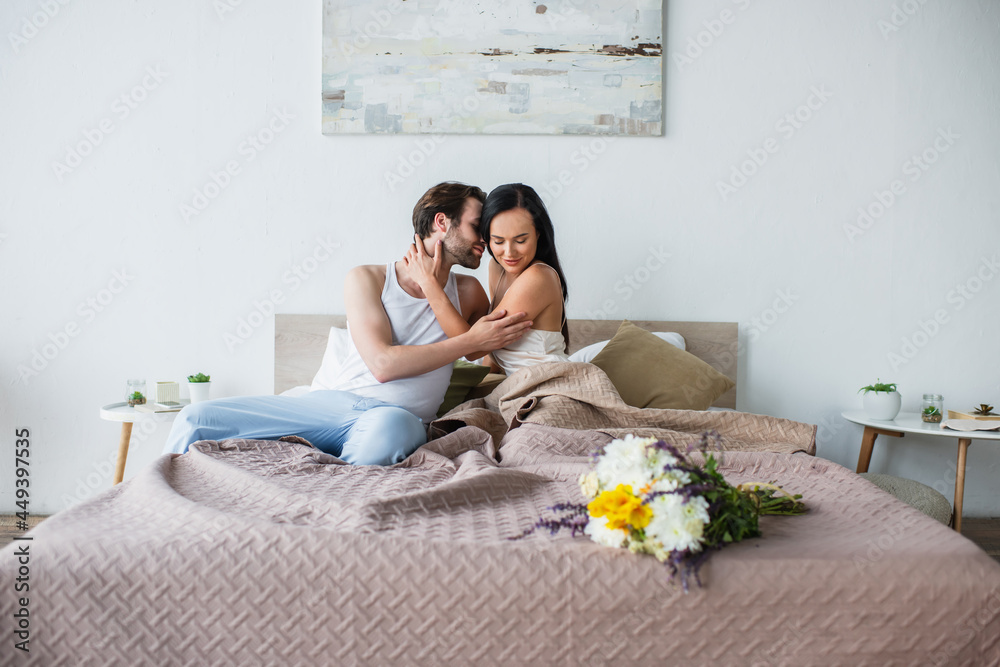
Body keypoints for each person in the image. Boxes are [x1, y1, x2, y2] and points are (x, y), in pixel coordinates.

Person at [163, 182, 532, 465]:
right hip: (328, 405)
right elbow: (383, 365)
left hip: (396, 417)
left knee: (389, 434)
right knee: (196, 417)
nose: (484, 238)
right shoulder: (367, 278)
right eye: (475, 226)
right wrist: (468, 343)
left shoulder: (468, 292)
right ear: (441, 222)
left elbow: (487, 357)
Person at [403, 183, 569, 375]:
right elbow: (492, 350)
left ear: (538, 234)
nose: (509, 252)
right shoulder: (497, 268)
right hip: (516, 387)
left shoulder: (539, 277)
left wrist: (428, 282)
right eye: (498, 241)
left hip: (547, 383)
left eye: (521, 240)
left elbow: (475, 347)